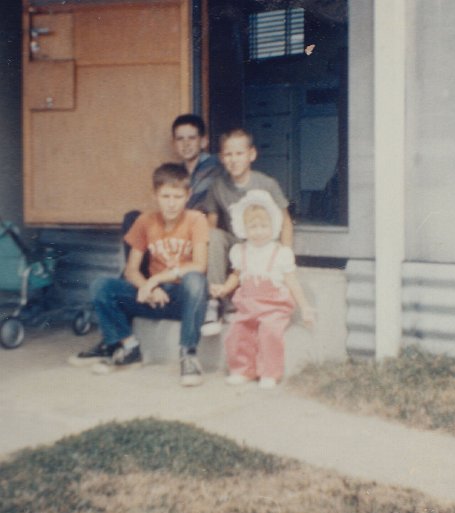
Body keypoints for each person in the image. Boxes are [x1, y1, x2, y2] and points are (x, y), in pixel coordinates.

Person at [69, 163, 209, 387]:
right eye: (165, 196)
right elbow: (131, 270)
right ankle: (129, 346)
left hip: (183, 299)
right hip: (152, 298)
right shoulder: (145, 221)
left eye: (177, 196)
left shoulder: (196, 219)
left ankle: (188, 355)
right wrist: (149, 287)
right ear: (154, 195)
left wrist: (156, 280)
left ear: (188, 195)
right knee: (101, 286)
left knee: (195, 280)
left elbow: (199, 265)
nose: (171, 203)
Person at [210, 190, 314, 389]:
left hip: (274, 306)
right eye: (253, 227)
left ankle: (269, 373)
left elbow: (292, 281)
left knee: (269, 332)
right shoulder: (241, 251)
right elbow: (235, 276)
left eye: (264, 226)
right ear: (243, 228)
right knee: (238, 331)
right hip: (248, 304)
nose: (258, 232)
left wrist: (306, 307)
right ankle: (243, 370)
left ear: (273, 226)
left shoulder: (280, 253)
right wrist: (224, 288)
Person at [201, 128, 294, 331]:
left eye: (239, 153)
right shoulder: (217, 186)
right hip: (238, 246)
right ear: (221, 157)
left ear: (251, 154)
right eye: (228, 154)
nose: (234, 160)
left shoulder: (266, 183)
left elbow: (286, 221)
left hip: (263, 244)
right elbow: (211, 223)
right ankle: (214, 303)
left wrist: (285, 252)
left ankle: (242, 305)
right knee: (213, 235)